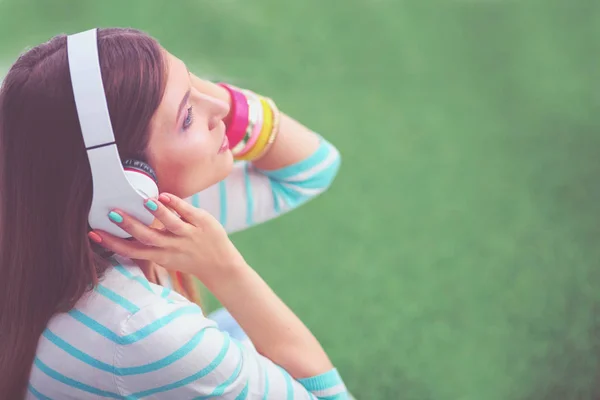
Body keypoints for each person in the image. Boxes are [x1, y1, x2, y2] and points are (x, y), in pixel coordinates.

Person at [0, 27, 348, 399]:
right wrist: (225, 270)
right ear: (132, 181)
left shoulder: (48, 214)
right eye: (187, 117)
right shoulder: (143, 331)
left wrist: (177, 83)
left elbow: (311, 168)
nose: (222, 108)